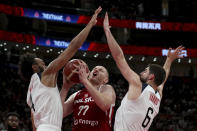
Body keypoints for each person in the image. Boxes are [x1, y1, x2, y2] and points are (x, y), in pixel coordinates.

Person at [18, 6, 102, 131]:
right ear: (35, 67)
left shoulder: (30, 92)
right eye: (42, 63)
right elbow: (72, 47)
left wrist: (65, 87)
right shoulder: (45, 74)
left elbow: (34, 123)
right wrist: (90, 24)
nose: (46, 65)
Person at [103, 12, 185, 130]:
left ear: (151, 77)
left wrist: (107, 32)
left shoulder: (138, 86)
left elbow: (119, 57)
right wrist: (169, 60)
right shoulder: (157, 96)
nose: (141, 72)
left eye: (145, 71)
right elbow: (163, 77)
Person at [60, 64, 116, 131]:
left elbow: (104, 104)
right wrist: (65, 87)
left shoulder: (107, 88)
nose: (96, 69)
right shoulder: (77, 94)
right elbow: (60, 113)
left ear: (105, 80)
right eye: (94, 68)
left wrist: (85, 81)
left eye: (101, 70)